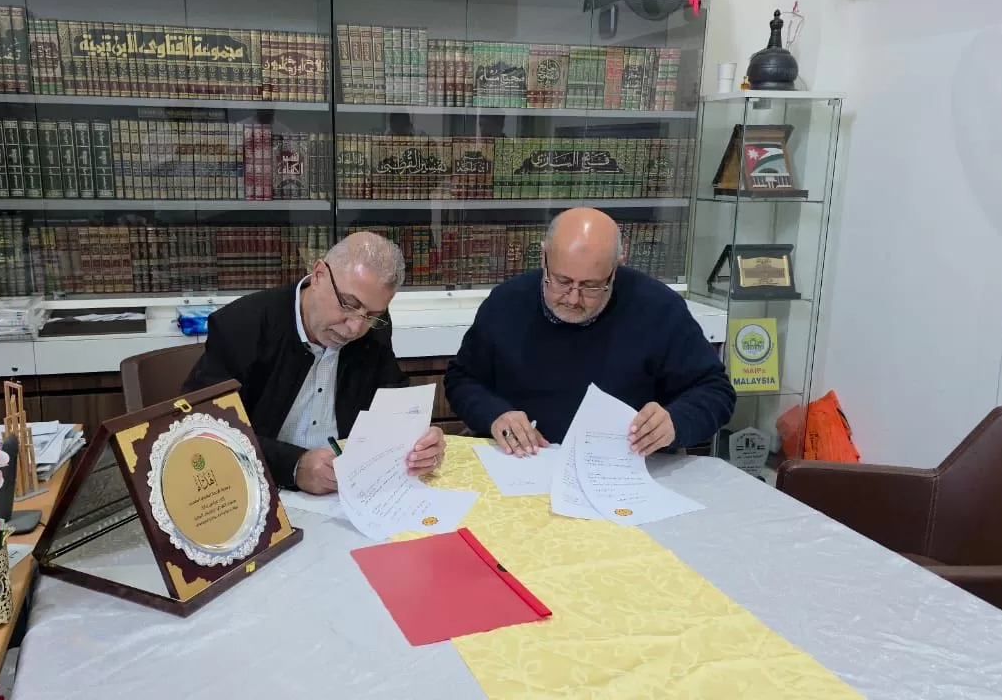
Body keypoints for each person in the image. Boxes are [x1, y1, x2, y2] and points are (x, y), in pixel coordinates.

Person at [444, 207, 735, 457]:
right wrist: (494, 414)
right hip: (526, 462)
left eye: (592, 286)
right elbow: (462, 380)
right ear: (544, 257)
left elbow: (715, 390)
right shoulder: (506, 303)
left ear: (617, 266)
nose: (573, 298)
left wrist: (675, 422)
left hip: (622, 468)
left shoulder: (658, 308)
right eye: (562, 281)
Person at [180, 232, 446, 495]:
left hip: (345, 491)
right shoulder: (242, 325)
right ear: (318, 275)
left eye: (372, 315)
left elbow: (392, 401)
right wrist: (294, 466)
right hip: (259, 488)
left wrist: (417, 442)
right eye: (348, 304)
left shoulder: (373, 328)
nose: (355, 328)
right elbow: (204, 425)